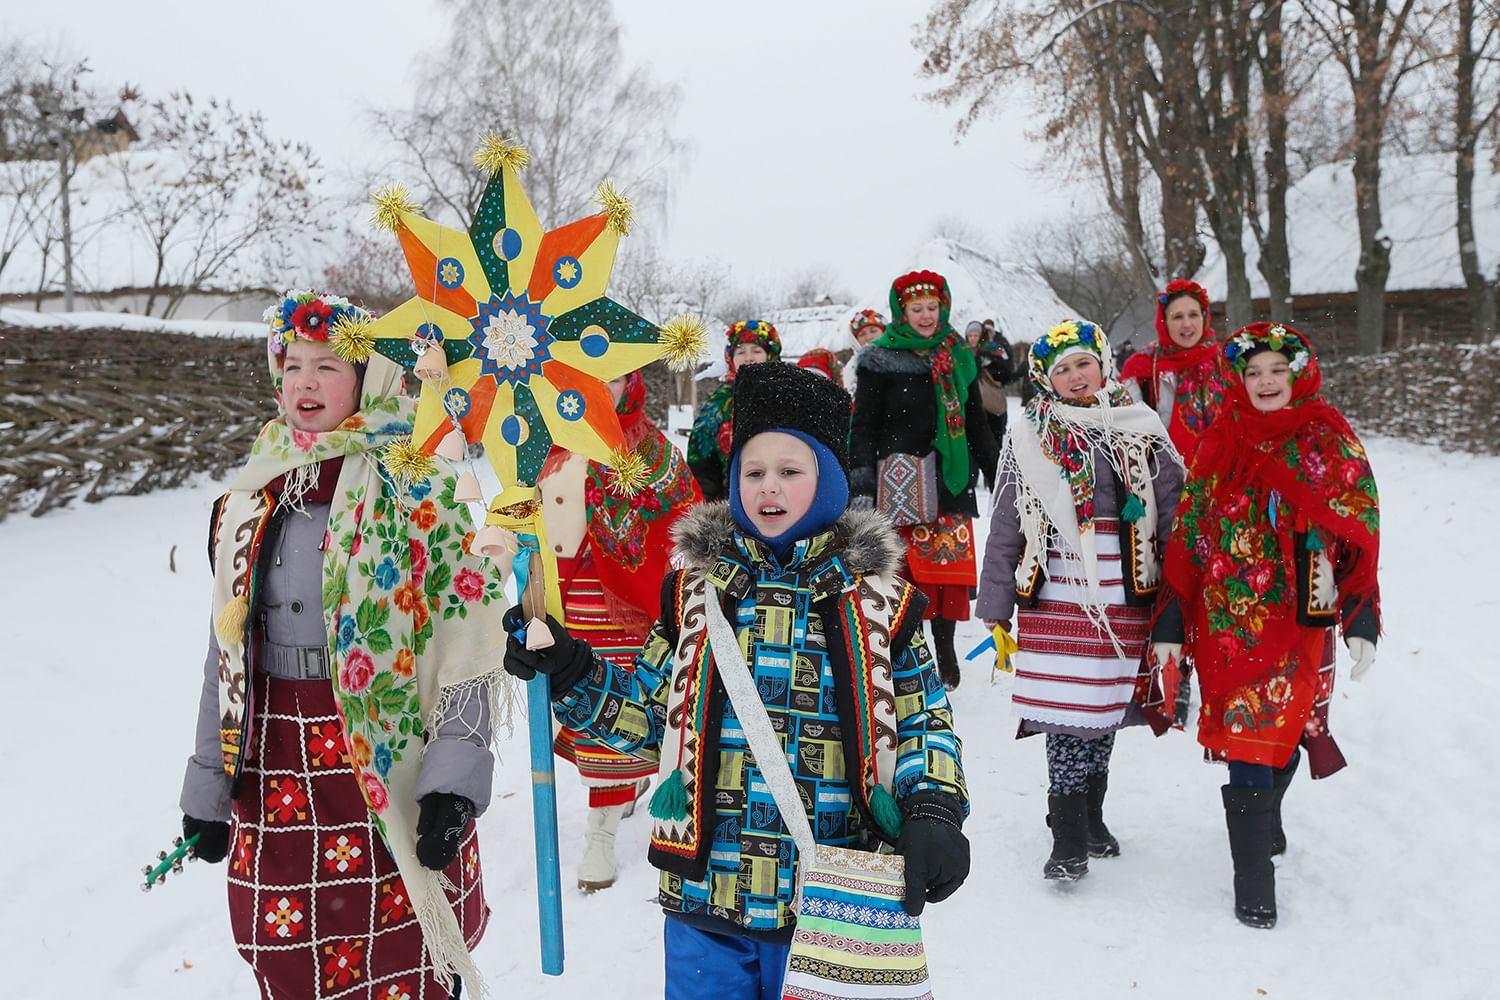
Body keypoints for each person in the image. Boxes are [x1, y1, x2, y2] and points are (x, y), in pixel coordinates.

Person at [504, 361, 970, 999]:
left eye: (790, 471)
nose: (768, 488)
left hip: (834, 894)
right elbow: (647, 722)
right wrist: (571, 670)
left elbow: (922, 720)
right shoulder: (693, 596)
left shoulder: (881, 603)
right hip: (704, 897)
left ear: (829, 482)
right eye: (753, 472)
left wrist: (934, 809)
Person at [179, 289, 510, 997]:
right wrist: (208, 788)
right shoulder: (252, 494)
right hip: (277, 766)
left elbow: (469, 639)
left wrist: (453, 785)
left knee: (402, 954)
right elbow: (226, 650)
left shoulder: (419, 486)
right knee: (291, 948)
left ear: (368, 379)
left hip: (383, 759)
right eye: (292, 363)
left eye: (327, 365)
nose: (304, 381)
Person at [1147, 322, 1380, 929]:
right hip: (1230, 622)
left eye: (1277, 370)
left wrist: (1363, 616)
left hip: (1304, 615)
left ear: (1298, 373)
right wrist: (1172, 618)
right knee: (1246, 740)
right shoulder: (1218, 440)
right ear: (1238, 381)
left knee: (1287, 733)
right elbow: (1190, 536)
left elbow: (1359, 530)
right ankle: (1252, 874)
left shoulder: (1329, 441)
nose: (1266, 382)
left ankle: (1267, 812)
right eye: (1253, 373)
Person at [975, 320, 1182, 882]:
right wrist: (994, 601)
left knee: (1104, 709)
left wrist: (1182, 593)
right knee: (1067, 713)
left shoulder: (1140, 428)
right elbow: (1006, 524)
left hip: (1122, 595)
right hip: (1056, 594)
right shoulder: (1030, 438)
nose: (1074, 376)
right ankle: (1066, 835)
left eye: (1082, 363)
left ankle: (1091, 815)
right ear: (1045, 379)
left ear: (1103, 365)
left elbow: (1173, 514)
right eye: (1060, 369)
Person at [540, 371, 702, 891]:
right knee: (575, 695)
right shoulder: (546, 441)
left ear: (629, 382)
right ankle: (619, 791)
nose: (598, 388)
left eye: (610, 378)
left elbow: (687, 515)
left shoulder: (650, 448)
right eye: (585, 376)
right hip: (559, 594)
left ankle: (601, 830)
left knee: (615, 700)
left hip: (627, 599)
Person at [849, 270, 999, 689]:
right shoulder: (879, 360)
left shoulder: (959, 356)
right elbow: (863, 427)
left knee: (946, 571)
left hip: (949, 481)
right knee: (903, 576)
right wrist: (860, 485)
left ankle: (945, 646)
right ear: (902, 311)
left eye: (933, 307)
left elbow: (975, 422)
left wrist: (997, 471)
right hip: (899, 483)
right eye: (917, 309)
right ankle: (906, 653)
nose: (926, 315)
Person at [1118, 278, 1234, 465]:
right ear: (1164, 322)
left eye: (1193, 315)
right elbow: (1131, 433)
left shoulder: (1227, 361)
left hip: (1224, 476)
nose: (1187, 324)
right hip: (1167, 479)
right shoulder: (1142, 367)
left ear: (1204, 317)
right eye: (1178, 317)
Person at [687, 320, 781, 503]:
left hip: (783, 500)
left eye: (756, 351)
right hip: (730, 506)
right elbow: (701, 466)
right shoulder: (717, 404)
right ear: (730, 358)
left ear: (770, 355)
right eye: (741, 352)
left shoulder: (788, 396)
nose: (749, 358)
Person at [843, 307, 887, 394]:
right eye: (862, 334)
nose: (869, 337)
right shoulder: (852, 368)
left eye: (873, 331)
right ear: (855, 340)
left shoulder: (900, 357)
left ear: (884, 332)